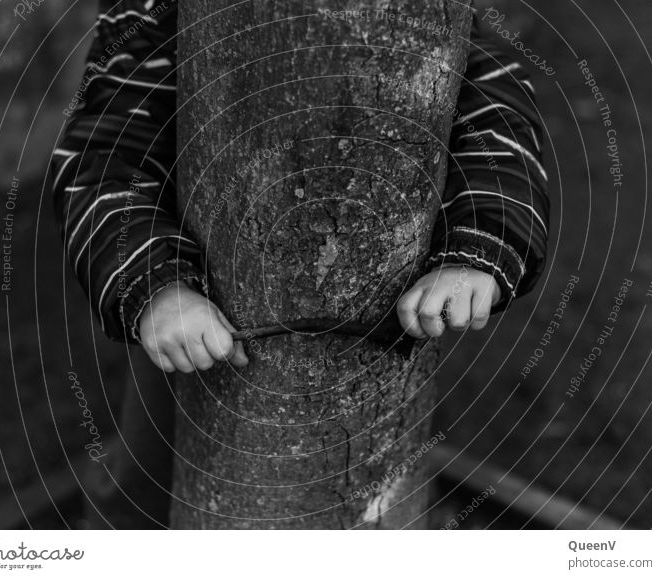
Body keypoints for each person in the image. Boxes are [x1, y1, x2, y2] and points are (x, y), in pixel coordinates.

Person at [51, 0, 549, 528]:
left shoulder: (444, 15)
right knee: (144, 482)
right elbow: (103, 156)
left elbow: (500, 123)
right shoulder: (154, 11)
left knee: (386, 484)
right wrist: (155, 286)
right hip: (197, 318)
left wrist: (479, 252)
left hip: (396, 317)